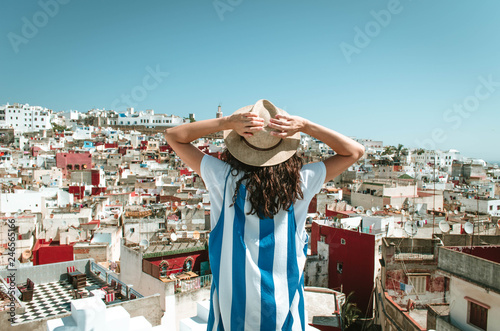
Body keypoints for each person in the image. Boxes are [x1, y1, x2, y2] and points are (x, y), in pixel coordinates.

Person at [165, 99, 364, 331]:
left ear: (239, 142)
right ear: (284, 145)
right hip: (284, 317)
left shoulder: (222, 178)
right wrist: (305, 125)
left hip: (232, 318)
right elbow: (354, 151)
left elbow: (173, 135)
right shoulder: (301, 182)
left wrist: (226, 122)